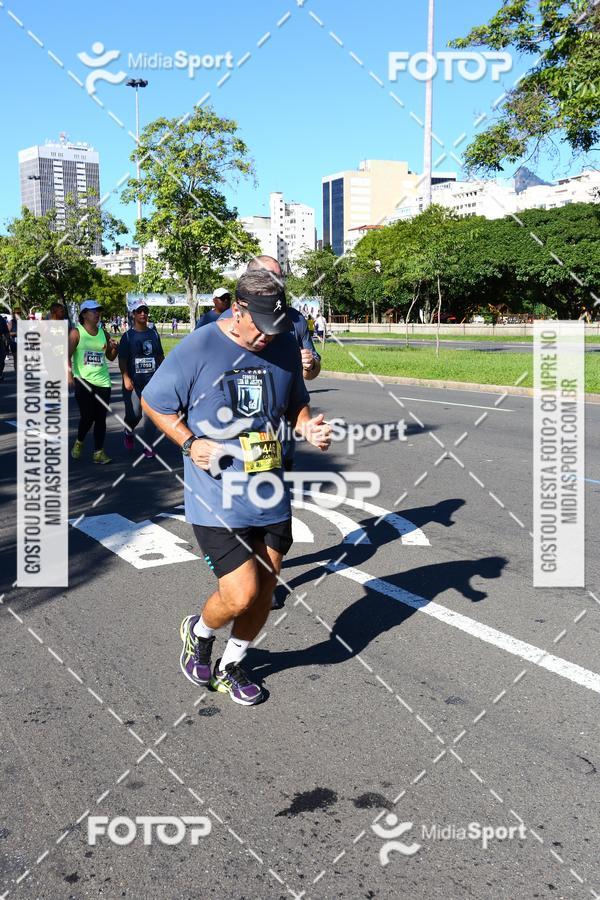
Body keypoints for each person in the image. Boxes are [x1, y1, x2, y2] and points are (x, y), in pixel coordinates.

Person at [141, 268, 331, 706]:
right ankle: (199, 631)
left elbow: (295, 402)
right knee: (241, 592)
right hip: (216, 496)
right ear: (238, 310)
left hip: (269, 490)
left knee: (266, 587)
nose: (269, 337)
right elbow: (155, 400)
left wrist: (307, 427)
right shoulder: (200, 345)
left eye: (276, 328)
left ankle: (230, 665)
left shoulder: (281, 343)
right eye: (261, 328)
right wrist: (189, 442)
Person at [68, 299, 118, 464]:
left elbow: (110, 358)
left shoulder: (104, 333)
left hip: (103, 381)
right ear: (84, 314)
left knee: (101, 418)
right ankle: (79, 441)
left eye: (98, 310)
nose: (97, 313)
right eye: (93, 311)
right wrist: (69, 375)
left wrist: (113, 348)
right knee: (88, 416)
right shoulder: (76, 333)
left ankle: (98, 452)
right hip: (83, 380)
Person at [119, 300, 164, 458]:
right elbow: (122, 360)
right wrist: (126, 377)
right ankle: (128, 430)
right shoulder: (127, 336)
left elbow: (159, 355)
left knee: (150, 414)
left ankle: (148, 446)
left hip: (151, 382)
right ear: (134, 315)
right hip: (133, 383)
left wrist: (164, 374)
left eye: (145, 311)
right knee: (135, 414)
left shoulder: (153, 334)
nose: (143, 314)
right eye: (139, 311)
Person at [0, 315, 9, 381]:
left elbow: (6, 331)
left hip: (1, 340)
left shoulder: (1, 319)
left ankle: (0, 374)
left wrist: (7, 342)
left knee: (1, 358)